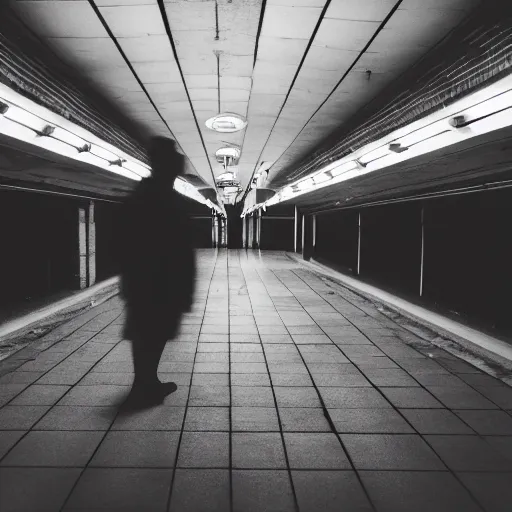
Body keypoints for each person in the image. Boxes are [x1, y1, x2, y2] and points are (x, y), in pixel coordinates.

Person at [119, 137, 196, 407]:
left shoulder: (141, 196)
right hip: (161, 283)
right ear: (168, 164)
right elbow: (179, 249)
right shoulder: (166, 201)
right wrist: (183, 288)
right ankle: (144, 385)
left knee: (148, 333)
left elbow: (123, 244)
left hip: (144, 282)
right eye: (174, 155)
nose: (180, 160)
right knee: (152, 333)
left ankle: (146, 382)